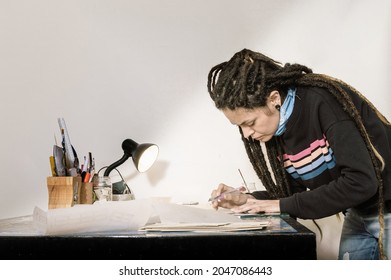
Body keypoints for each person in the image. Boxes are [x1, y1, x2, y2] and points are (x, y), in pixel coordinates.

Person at [207, 49, 391, 260]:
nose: (247, 134)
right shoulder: (277, 131)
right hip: (358, 212)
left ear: (274, 98)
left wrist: (279, 205)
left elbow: (361, 182)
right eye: (240, 127)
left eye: (249, 123)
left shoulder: (323, 103)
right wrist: (247, 200)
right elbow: (291, 196)